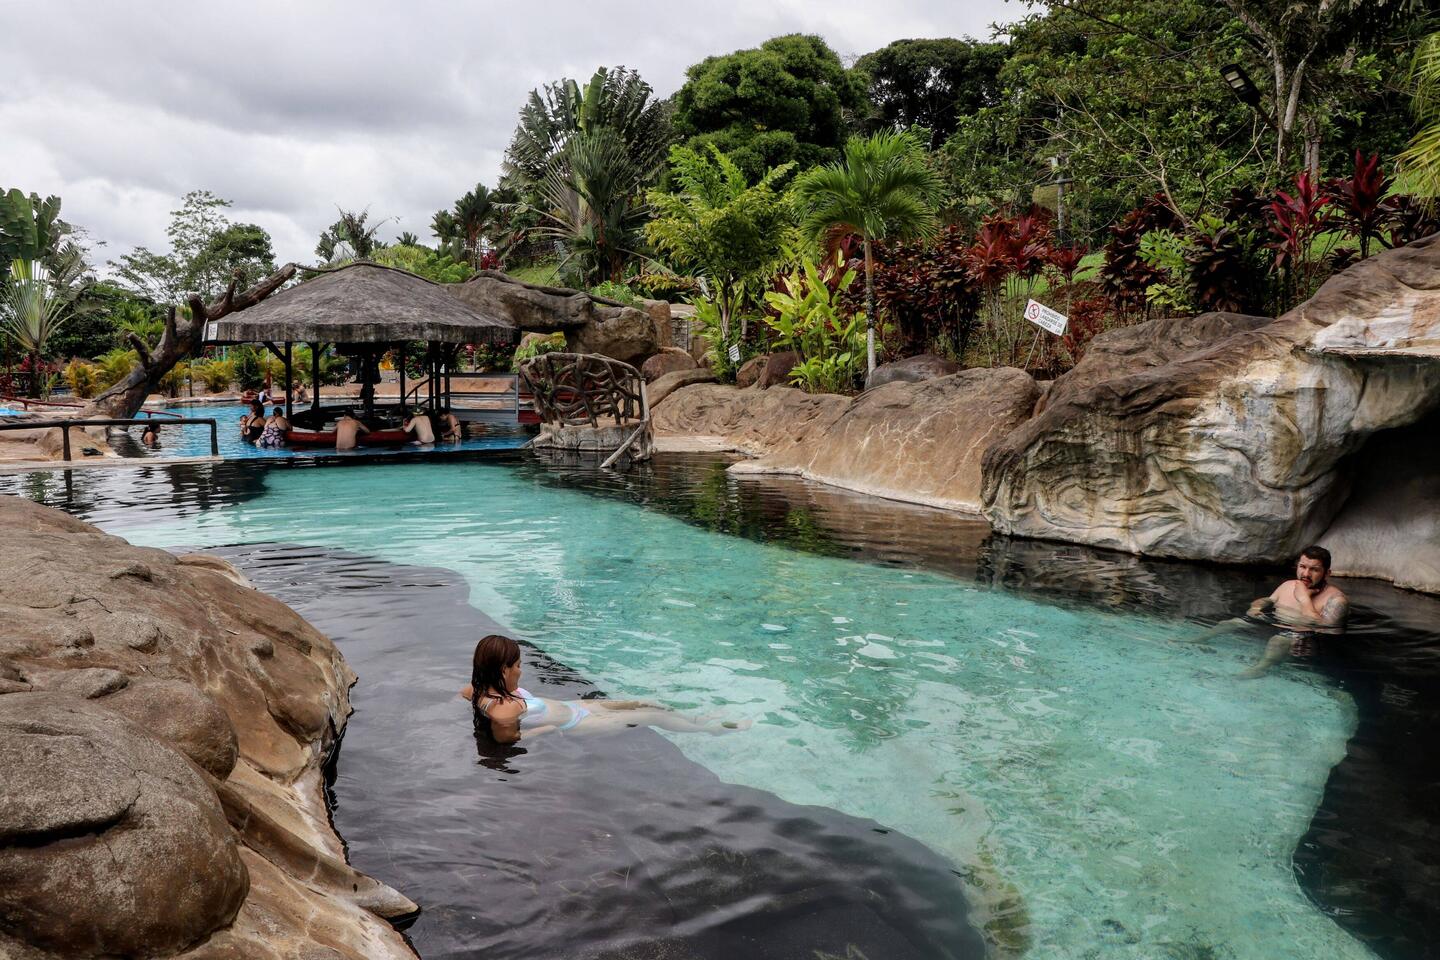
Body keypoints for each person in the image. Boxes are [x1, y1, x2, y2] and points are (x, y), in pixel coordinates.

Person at [460, 634, 746, 744]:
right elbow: (507, 739)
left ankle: (696, 719)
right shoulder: (505, 710)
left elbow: (467, 694)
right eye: (518, 665)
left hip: (574, 707)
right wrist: (544, 731)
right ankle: (711, 730)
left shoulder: (478, 688)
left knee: (644, 702)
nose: (521, 670)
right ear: (503, 670)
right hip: (577, 724)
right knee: (650, 716)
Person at [1202, 545, 1349, 678]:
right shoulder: (1288, 585)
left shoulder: (1336, 600)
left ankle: (1259, 669)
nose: (1306, 573)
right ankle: (1197, 641)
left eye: (1314, 569)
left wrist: (1304, 598)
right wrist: (1256, 608)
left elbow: (1326, 629)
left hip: (1308, 637)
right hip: (1278, 623)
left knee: (1278, 641)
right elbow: (1267, 600)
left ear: (1327, 573)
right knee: (1230, 623)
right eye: (1302, 567)